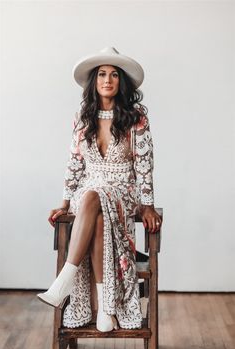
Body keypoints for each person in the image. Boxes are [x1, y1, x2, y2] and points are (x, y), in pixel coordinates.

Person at [37, 46, 162, 332]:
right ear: (94, 81)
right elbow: (74, 161)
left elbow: (145, 163)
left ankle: (64, 281)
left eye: (114, 75)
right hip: (90, 187)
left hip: (122, 189)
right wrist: (66, 202)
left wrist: (148, 204)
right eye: (102, 75)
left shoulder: (135, 116)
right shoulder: (84, 116)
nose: (108, 80)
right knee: (96, 205)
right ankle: (106, 311)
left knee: (95, 195)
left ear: (122, 82)